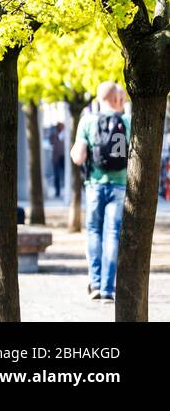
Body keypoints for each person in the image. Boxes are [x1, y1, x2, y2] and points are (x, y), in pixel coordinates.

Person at [71, 81, 130, 302]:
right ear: (117, 98)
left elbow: (79, 157)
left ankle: (95, 283)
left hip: (94, 185)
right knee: (113, 234)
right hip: (119, 185)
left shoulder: (87, 121)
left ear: (97, 97)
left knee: (94, 231)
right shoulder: (126, 120)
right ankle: (108, 288)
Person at [48, 121, 68, 198]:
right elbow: (51, 141)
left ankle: (66, 191)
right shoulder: (54, 135)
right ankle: (57, 192)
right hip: (56, 158)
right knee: (57, 175)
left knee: (65, 175)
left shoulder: (66, 134)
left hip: (64, 157)